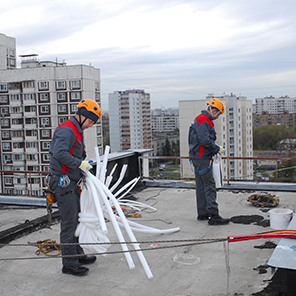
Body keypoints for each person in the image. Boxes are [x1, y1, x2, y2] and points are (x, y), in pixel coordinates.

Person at [49, 99, 101, 276]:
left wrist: (82, 166)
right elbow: (59, 153)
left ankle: (77, 254)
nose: (90, 125)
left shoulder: (76, 130)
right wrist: (80, 164)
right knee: (69, 223)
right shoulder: (67, 129)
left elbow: (72, 152)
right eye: (90, 121)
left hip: (71, 182)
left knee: (77, 219)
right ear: (83, 115)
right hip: (63, 182)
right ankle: (69, 264)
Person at [188, 98, 230, 226]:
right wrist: (217, 149)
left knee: (201, 186)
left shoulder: (201, 119)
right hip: (201, 159)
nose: (218, 117)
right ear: (213, 110)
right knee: (209, 186)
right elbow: (205, 141)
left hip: (197, 158)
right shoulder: (204, 121)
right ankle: (214, 216)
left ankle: (203, 213)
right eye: (218, 114)